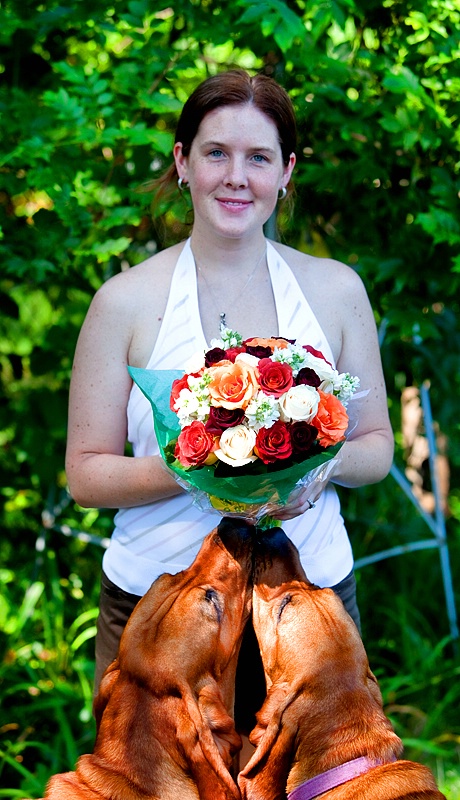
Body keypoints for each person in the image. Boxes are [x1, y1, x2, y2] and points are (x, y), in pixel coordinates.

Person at [65, 69, 394, 738]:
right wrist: (203, 472)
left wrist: (314, 470)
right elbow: (85, 474)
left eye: (258, 158)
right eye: (216, 152)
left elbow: (378, 448)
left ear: (287, 172)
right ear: (183, 162)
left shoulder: (336, 290)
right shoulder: (123, 302)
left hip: (311, 611)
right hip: (156, 613)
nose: (235, 176)